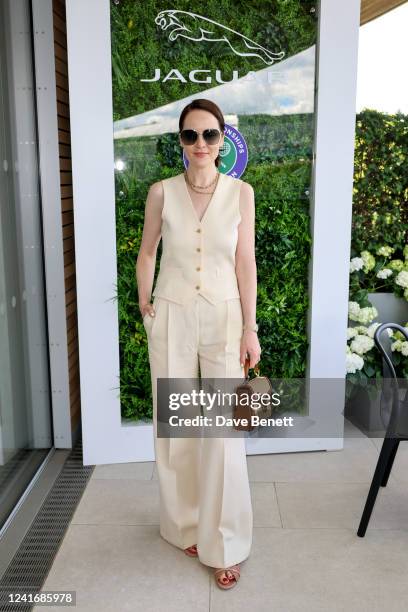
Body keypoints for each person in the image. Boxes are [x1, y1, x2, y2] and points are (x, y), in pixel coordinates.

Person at [136, 98, 261, 590]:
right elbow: (148, 251)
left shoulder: (241, 193)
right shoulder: (161, 193)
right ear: (181, 142)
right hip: (171, 315)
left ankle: (225, 541)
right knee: (179, 425)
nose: (201, 145)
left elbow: (245, 262)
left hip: (225, 316)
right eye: (191, 136)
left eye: (210, 135)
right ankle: (186, 526)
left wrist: (250, 327)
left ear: (223, 138)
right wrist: (145, 302)